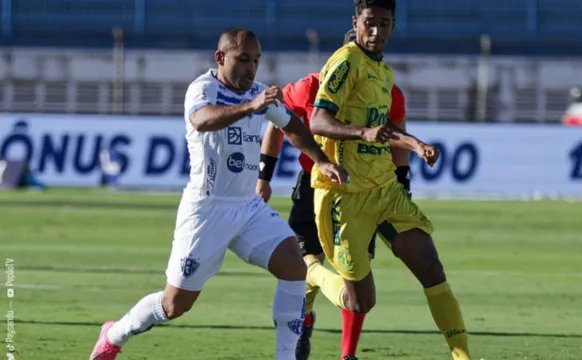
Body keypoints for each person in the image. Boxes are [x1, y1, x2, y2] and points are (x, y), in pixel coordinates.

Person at [89, 28, 348, 360]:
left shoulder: (258, 93)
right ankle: (113, 335)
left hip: (248, 208)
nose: (251, 68)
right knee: (174, 305)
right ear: (220, 58)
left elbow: (294, 125)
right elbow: (202, 120)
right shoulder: (204, 88)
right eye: (243, 59)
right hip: (206, 210)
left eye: (256, 60)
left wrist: (321, 161)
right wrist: (250, 107)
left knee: (294, 267)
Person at [307, 1, 472, 359]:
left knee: (430, 265)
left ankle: (463, 357)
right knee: (360, 301)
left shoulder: (383, 73)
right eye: (370, 23)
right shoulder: (345, 61)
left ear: (393, 25)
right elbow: (318, 121)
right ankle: (312, 271)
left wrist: (416, 145)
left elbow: (386, 126)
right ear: (356, 22)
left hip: (384, 188)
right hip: (345, 194)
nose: (376, 32)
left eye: (384, 24)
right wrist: (363, 133)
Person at [256, 28, 410, 360]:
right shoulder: (310, 86)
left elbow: (400, 140)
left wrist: (402, 188)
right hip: (314, 184)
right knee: (303, 264)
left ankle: (348, 354)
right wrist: (264, 176)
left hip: (363, 190)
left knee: (356, 269)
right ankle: (303, 324)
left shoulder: (387, 92)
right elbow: (276, 123)